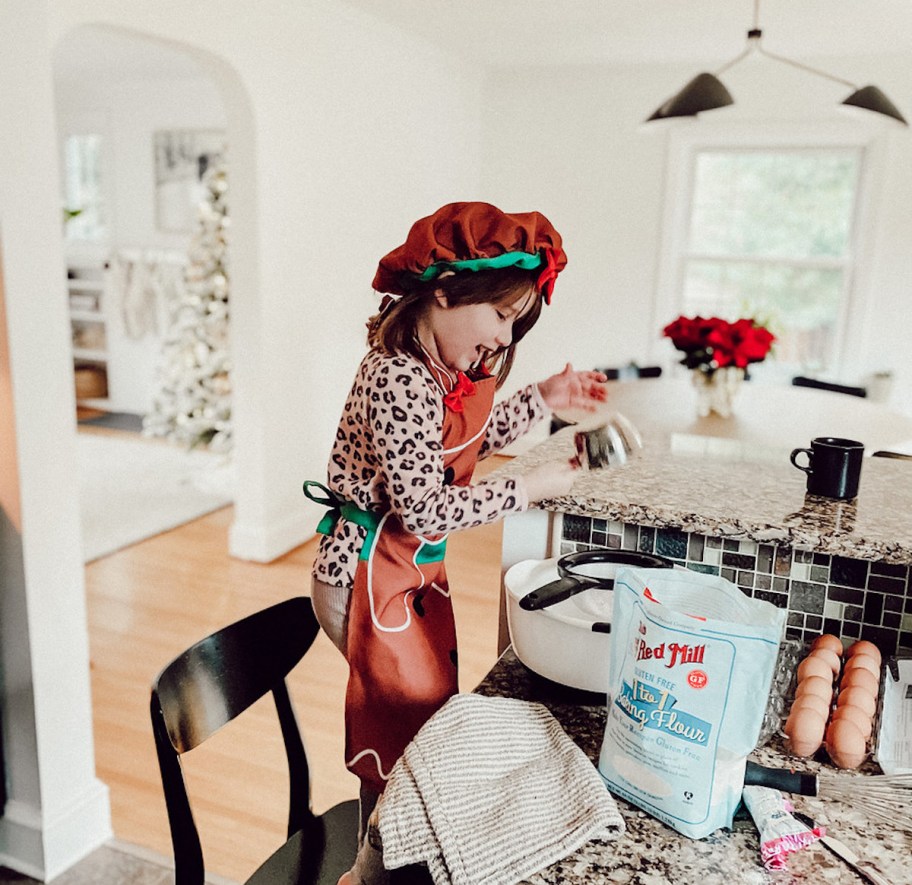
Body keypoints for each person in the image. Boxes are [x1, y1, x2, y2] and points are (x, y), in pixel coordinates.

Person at [304, 201, 608, 884]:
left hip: (407, 573)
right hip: (361, 574)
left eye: (517, 322)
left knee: (422, 727)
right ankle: (373, 869)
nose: (506, 335)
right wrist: (528, 490)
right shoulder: (396, 376)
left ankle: (397, 852)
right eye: (501, 315)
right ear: (443, 290)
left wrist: (547, 398)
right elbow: (424, 506)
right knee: (408, 728)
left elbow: (477, 433)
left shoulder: (440, 372)